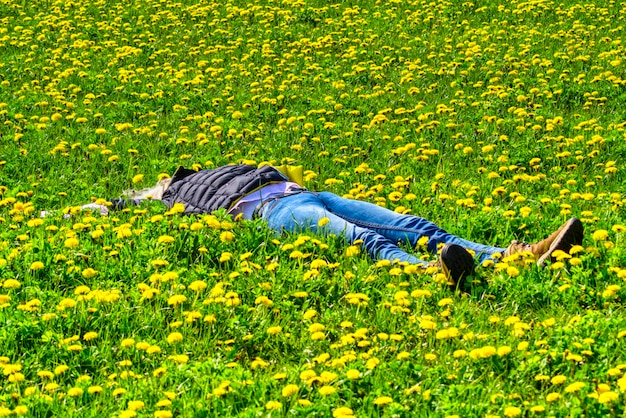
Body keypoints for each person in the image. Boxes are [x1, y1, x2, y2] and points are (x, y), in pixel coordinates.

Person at [83, 164, 585, 289]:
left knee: (411, 222)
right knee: (362, 240)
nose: (166, 179)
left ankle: (514, 255)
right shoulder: (174, 197)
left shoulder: (220, 169)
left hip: (303, 193)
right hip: (270, 214)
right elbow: (115, 205)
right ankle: (429, 275)